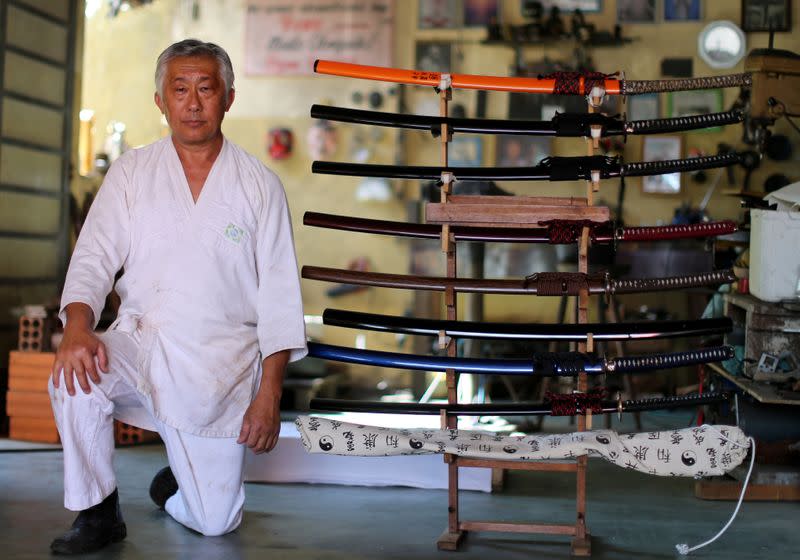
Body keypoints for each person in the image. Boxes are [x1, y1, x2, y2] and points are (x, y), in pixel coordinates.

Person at [48, 39, 307, 554]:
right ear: (160, 100)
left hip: (220, 367)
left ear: (228, 98)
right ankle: (98, 511)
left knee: (216, 524)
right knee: (75, 375)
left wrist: (270, 392)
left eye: (206, 89)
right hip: (143, 343)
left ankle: (174, 487)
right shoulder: (132, 172)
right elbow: (94, 257)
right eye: (180, 89)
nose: (193, 103)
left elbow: (280, 296)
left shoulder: (260, 186)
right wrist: (77, 327)